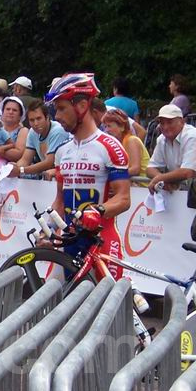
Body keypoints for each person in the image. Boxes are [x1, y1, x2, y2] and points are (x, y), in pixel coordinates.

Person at [47, 73, 131, 279]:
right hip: (70, 240)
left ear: (82, 106)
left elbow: (124, 199)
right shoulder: (62, 152)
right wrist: (47, 230)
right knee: (51, 300)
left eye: (61, 108)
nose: (56, 116)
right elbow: (60, 199)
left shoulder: (110, 146)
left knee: (106, 307)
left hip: (101, 239)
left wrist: (99, 210)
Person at [10, 100, 71, 179]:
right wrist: (14, 168)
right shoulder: (32, 132)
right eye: (32, 120)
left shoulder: (58, 131)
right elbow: (25, 159)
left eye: (38, 119)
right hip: (48, 175)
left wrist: (21, 170)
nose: (35, 123)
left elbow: (49, 163)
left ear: (47, 117)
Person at [101, 107, 149, 183]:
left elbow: (135, 169)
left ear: (122, 127)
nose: (106, 130)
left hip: (141, 188)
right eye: (105, 126)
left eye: (109, 126)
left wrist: (111, 176)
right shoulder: (117, 143)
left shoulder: (132, 140)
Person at [0, 96, 27, 162]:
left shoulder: (23, 131)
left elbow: (19, 154)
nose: (10, 112)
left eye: (14, 110)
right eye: (8, 109)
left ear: (20, 115)